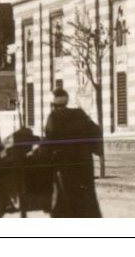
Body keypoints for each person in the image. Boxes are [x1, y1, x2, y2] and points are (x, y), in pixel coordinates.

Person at [42, 89, 102, 217]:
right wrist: (96, 150)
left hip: (65, 166)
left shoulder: (54, 117)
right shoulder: (80, 114)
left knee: (65, 199)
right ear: (67, 101)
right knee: (87, 198)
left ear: (53, 104)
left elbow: (48, 140)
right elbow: (96, 130)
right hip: (84, 164)